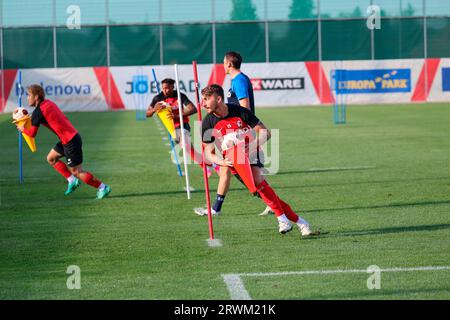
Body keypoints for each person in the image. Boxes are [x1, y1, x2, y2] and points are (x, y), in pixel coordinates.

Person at [198, 84, 315, 236]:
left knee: (258, 180)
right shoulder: (207, 122)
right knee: (265, 194)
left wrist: (251, 146)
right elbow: (208, 153)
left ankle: (282, 219)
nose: (203, 103)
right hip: (235, 162)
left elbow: (266, 132)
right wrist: (222, 162)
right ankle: (301, 222)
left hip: (253, 152)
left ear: (218, 99)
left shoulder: (239, 111)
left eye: (207, 99)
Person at [194, 52, 273, 216]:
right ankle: (216, 208)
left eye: (223, 62)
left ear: (229, 64)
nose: (223, 65)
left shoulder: (239, 80)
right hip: (229, 129)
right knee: (227, 168)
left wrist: (241, 130)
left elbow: (245, 107)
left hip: (237, 131)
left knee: (250, 177)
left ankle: (273, 204)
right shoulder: (237, 80)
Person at [17, 84, 111, 199]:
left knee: (77, 172)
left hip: (70, 141)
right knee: (51, 158)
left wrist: (22, 129)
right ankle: (72, 181)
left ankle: (103, 187)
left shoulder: (38, 111)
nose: (27, 97)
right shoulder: (48, 103)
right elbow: (42, 116)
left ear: (36, 97)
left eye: (29, 95)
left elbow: (32, 134)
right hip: (68, 138)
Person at [146, 78, 219, 178]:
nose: (166, 90)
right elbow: (148, 114)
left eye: (168, 88)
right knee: (189, 148)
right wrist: (154, 109)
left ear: (173, 87)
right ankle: (210, 164)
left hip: (183, 124)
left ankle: (210, 165)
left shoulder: (180, 95)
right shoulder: (158, 98)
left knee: (187, 146)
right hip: (172, 128)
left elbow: (193, 109)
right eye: (164, 88)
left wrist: (177, 116)